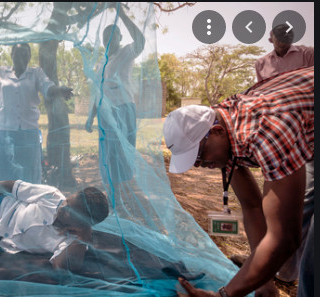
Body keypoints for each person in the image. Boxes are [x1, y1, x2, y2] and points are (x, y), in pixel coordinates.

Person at [163, 66, 313, 297]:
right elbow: (252, 205)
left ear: (216, 131)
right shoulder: (227, 123)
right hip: (304, 131)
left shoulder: (269, 130)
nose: (200, 165)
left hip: (293, 127)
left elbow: (285, 237)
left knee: (312, 264)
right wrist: (262, 283)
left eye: (199, 156)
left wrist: (225, 294)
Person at [253, 23, 315, 285]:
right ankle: (284, 272)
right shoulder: (262, 63)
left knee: (304, 201)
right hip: (280, 137)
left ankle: (291, 270)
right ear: (271, 39)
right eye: (279, 39)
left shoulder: (308, 54)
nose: (284, 43)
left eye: (288, 38)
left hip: (308, 133)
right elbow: (262, 95)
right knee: (281, 206)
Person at [0, 42, 73, 184]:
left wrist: (60, 91)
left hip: (28, 134)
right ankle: (7, 204)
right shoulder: (1, 72)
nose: (22, 58)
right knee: (6, 177)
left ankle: (30, 205)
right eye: (18, 55)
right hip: (5, 133)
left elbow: (48, 88)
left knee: (30, 176)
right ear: (12, 55)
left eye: (26, 55)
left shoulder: (36, 73)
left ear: (30, 56)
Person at [85, 7, 145, 191]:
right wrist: (90, 116)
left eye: (113, 34)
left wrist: (123, 15)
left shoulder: (127, 52)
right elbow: (98, 91)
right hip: (105, 113)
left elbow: (141, 41)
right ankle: (113, 192)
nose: (108, 39)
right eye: (105, 36)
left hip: (123, 109)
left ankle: (119, 193)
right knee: (108, 153)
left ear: (120, 37)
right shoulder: (102, 61)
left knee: (120, 151)